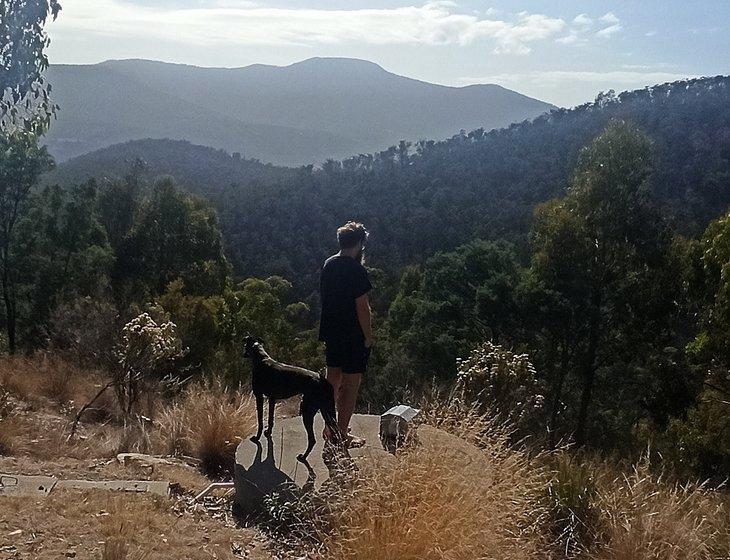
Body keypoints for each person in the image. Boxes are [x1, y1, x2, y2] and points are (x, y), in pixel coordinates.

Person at [318, 221, 374, 447]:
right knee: (351, 384)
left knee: (333, 380)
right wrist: (368, 336)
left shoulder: (329, 264)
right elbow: (363, 307)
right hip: (352, 335)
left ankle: (330, 428)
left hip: (332, 332)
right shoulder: (356, 270)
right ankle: (341, 433)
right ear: (360, 243)